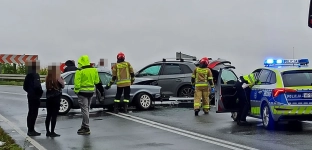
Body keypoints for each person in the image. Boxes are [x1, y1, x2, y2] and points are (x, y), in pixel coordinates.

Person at [74, 55, 103, 135]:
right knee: (87, 109)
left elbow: (77, 83)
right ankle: (84, 125)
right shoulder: (94, 70)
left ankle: (86, 127)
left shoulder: (79, 71)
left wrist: (76, 91)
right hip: (91, 92)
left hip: (82, 92)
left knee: (84, 110)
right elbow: (97, 81)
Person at [23, 60, 43, 136]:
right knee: (34, 113)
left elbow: (24, 87)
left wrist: (29, 91)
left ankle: (29, 129)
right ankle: (32, 130)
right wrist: (40, 93)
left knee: (30, 112)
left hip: (30, 95)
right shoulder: (35, 75)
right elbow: (37, 86)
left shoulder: (28, 75)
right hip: (35, 96)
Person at [45, 64, 65, 137]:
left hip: (49, 98)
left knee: (48, 115)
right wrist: (62, 79)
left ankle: (47, 131)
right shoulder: (58, 78)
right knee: (54, 115)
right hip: (56, 98)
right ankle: (52, 131)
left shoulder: (47, 78)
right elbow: (63, 85)